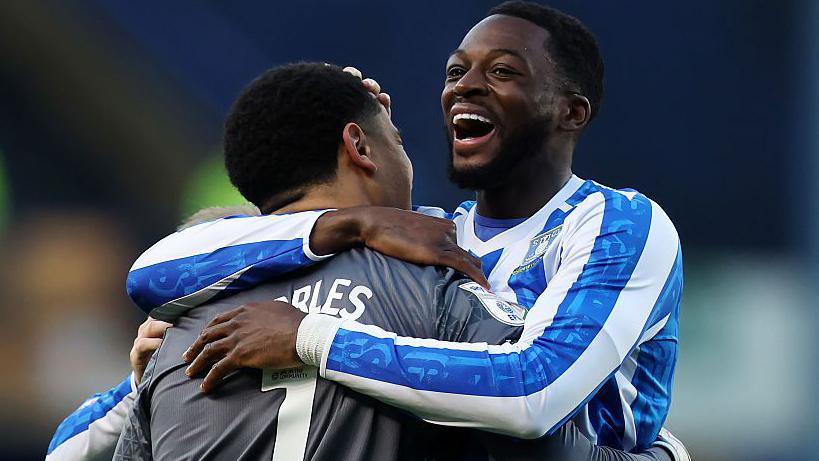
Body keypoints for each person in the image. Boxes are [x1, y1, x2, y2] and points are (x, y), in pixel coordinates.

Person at [128, 1, 684, 455]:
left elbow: (533, 394)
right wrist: (351, 222)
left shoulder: (615, 223)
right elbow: (152, 271)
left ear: (571, 112)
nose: (466, 86)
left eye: (502, 72)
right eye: (456, 71)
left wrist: (310, 337)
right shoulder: (424, 239)